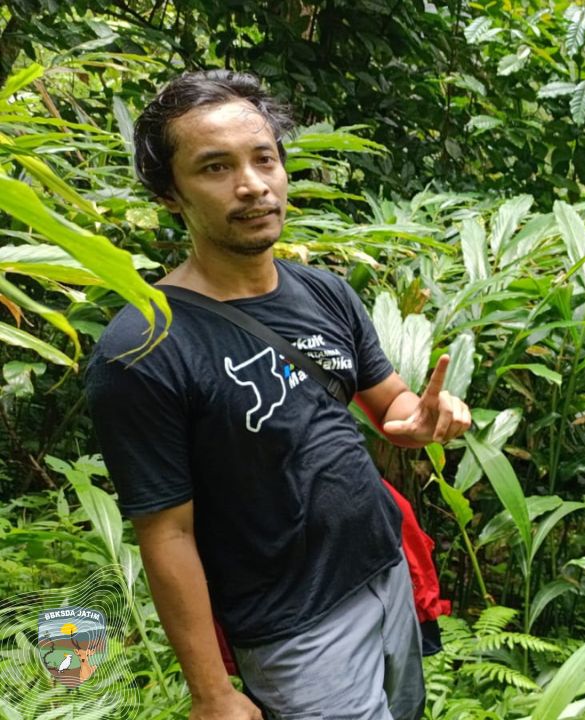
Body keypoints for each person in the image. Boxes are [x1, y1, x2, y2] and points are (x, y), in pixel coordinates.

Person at [84, 70, 471, 720]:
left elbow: (390, 405)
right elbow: (167, 534)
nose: (252, 185)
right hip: (294, 627)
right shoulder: (142, 349)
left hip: (384, 570)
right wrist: (212, 692)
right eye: (215, 167)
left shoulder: (324, 292)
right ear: (169, 192)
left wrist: (421, 420)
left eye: (264, 158)